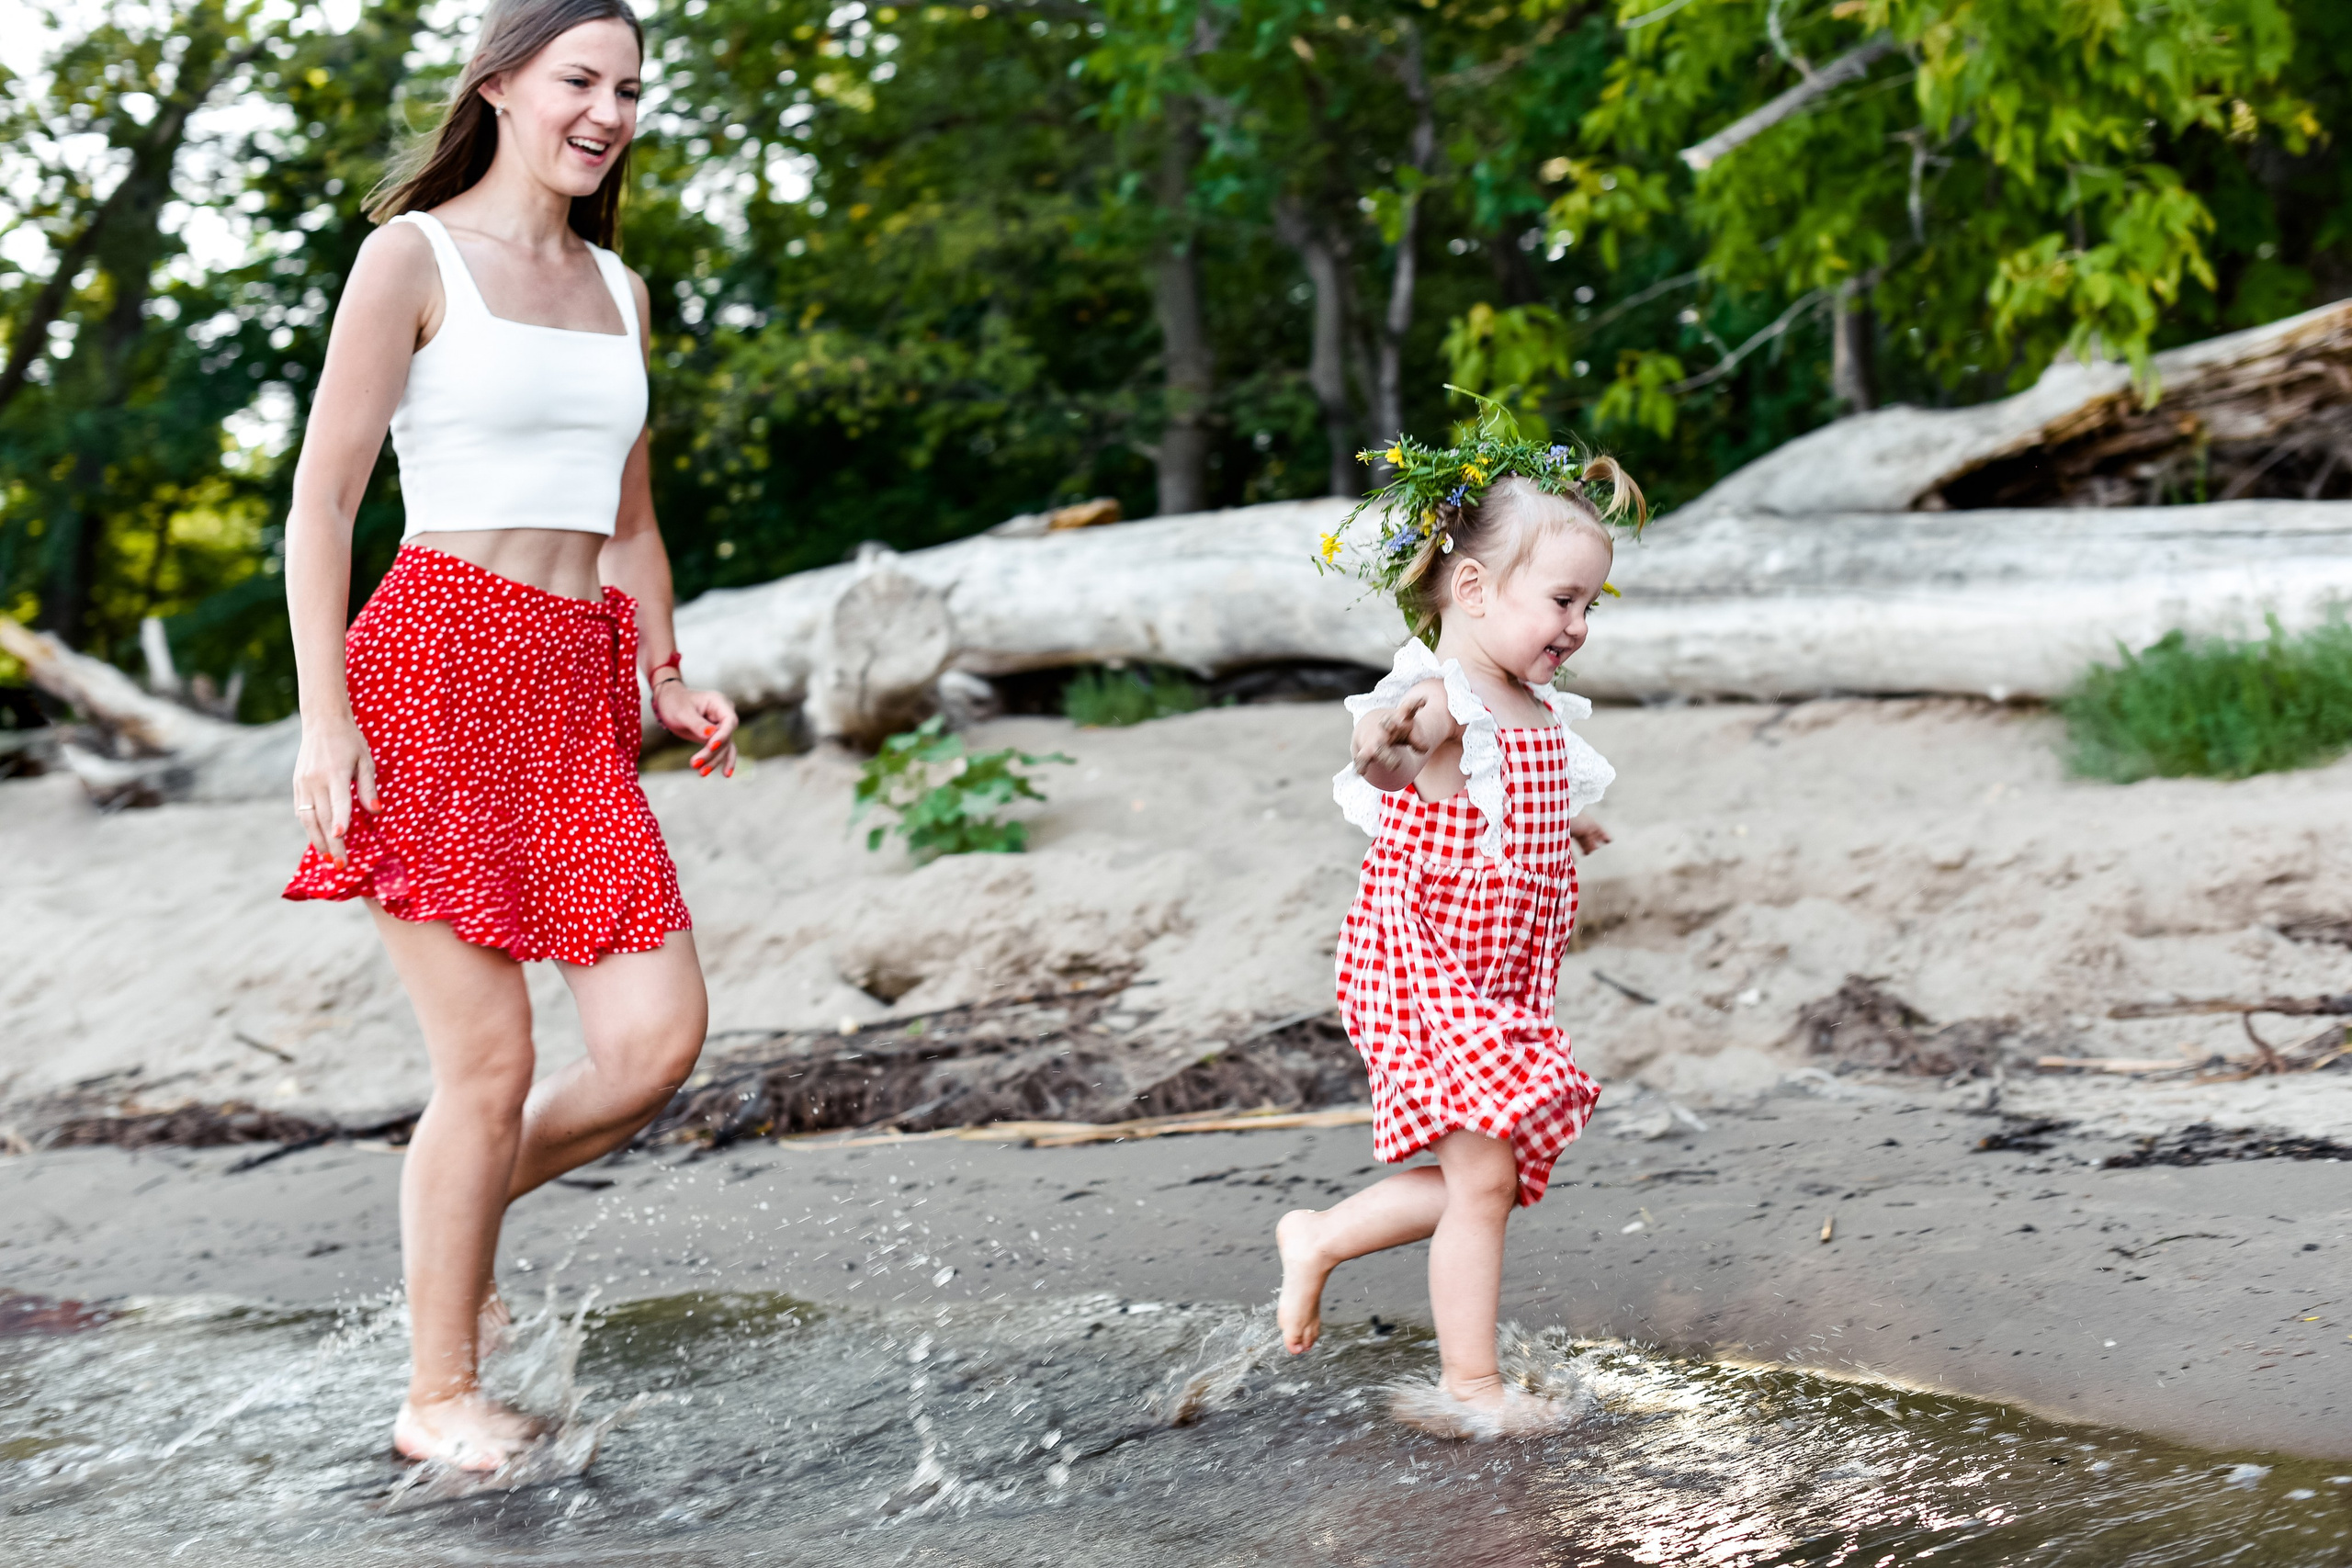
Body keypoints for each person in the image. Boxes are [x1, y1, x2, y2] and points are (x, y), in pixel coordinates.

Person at [279, 0, 737, 1472]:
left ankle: (447, 1216)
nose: (608, 111)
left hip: (576, 689)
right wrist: (323, 717)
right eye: (580, 80)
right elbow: (322, 502)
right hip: (430, 671)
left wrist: (667, 667)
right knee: (483, 1067)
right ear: (501, 86)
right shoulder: (409, 261)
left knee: (655, 1039)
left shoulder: (621, 285)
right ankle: (440, 1388)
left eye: (629, 89)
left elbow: (635, 515)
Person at [1278, 413, 1643, 1438]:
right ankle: (1468, 1389)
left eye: (1587, 605)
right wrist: (1381, 741)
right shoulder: (1443, 699)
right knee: (1485, 1179)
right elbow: (1396, 755)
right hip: (1427, 973)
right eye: (1560, 600)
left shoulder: (1529, 707)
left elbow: (1501, 794)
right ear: (1475, 592)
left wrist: (1563, 821)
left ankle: (1318, 1238)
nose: (1575, 625)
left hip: (1498, 984)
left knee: (1485, 1177)